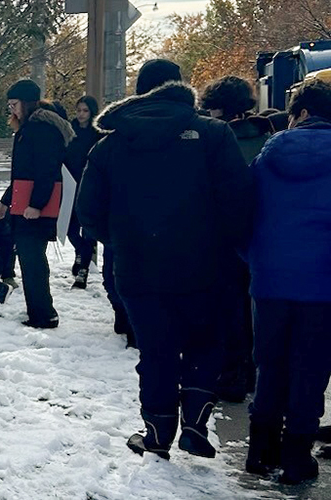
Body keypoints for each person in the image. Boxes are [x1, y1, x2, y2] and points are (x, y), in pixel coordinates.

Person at [76, 59, 253, 460]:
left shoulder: (110, 145)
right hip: (206, 265)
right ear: (180, 87)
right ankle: (195, 424)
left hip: (138, 268)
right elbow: (238, 200)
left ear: (140, 92)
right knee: (206, 342)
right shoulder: (213, 135)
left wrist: (124, 240)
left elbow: (88, 213)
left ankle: (157, 433)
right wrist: (223, 244)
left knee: (156, 350)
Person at [243, 79, 331, 484]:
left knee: (270, 363)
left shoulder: (267, 156)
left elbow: (243, 213)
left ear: (301, 114)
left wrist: (255, 258)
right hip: (324, 285)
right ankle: (296, 459)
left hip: (270, 280)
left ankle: (260, 451)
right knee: (311, 369)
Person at [199, 75, 272, 403]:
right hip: (261, 235)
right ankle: (253, 371)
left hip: (221, 237)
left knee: (227, 309)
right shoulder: (268, 136)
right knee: (251, 305)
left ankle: (231, 375)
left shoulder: (216, 140)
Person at [0, 79, 73, 329]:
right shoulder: (29, 128)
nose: (12, 110)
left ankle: (44, 314)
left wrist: (37, 204)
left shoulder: (41, 129)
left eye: (14, 104)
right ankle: (38, 311)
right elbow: (21, 173)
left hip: (34, 207)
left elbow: (46, 170)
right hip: (24, 203)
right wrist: (5, 201)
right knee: (30, 260)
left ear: (27, 102)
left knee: (33, 260)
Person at [65, 96, 102, 290]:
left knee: (88, 231)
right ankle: (81, 252)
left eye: (85, 110)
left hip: (90, 187)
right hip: (70, 185)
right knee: (70, 229)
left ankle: (83, 272)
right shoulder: (69, 130)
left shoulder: (97, 134)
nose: (81, 114)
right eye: (78, 110)